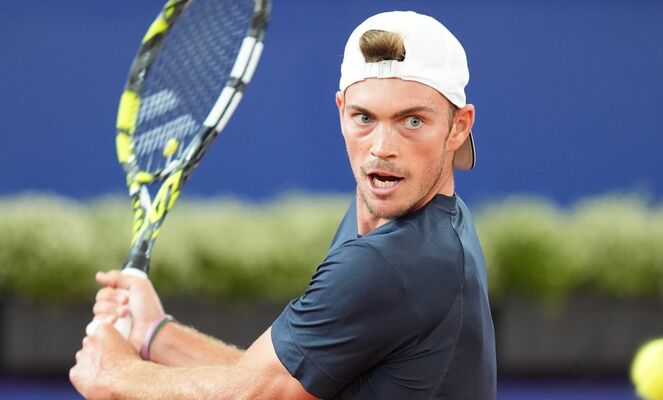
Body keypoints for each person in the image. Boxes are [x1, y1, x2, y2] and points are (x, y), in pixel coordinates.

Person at [71, 10, 496, 399]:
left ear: (458, 126)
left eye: (412, 121)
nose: (381, 148)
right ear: (341, 111)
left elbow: (254, 393)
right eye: (364, 118)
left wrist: (116, 375)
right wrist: (156, 334)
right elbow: (284, 375)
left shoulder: (393, 262)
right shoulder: (425, 225)